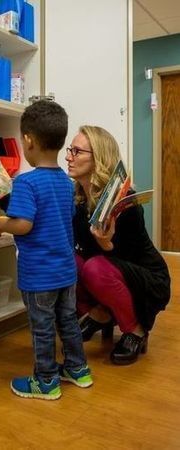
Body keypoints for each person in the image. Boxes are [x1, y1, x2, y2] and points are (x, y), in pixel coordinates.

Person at [0, 100, 93, 401]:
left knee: (42, 327)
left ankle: (46, 381)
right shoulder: (66, 182)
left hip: (39, 275)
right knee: (67, 321)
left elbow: (22, 224)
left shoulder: (25, 181)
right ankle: (78, 369)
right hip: (65, 271)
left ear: (28, 140)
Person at [66, 125, 171, 365]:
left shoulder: (125, 204)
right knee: (68, 262)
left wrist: (106, 244)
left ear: (99, 158)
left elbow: (128, 258)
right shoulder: (77, 199)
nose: (70, 157)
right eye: (70, 150)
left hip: (145, 277)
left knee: (94, 267)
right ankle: (101, 312)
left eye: (77, 151)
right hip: (106, 271)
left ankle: (135, 331)